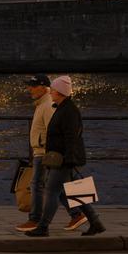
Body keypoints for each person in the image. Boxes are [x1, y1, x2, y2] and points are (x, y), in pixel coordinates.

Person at [26, 76, 105, 237]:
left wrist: (69, 159)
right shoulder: (62, 108)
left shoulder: (69, 111)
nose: (51, 92)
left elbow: (71, 137)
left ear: (60, 92)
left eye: (54, 90)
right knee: (75, 190)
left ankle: (43, 226)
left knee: (52, 191)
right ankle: (96, 222)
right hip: (63, 157)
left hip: (64, 159)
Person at [15, 75, 87, 232]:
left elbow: (55, 131)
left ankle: (36, 220)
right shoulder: (43, 103)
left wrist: (49, 152)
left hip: (46, 153)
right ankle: (80, 215)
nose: (29, 89)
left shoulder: (48, 104)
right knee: (57, 187)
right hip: (46, 152)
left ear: (44, 87)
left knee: (38, 185)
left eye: (33, 86)